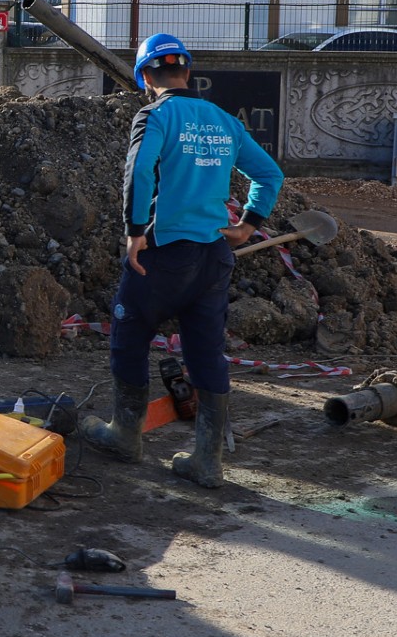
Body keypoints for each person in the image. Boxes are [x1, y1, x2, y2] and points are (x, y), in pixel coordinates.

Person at [81, 32, 284, 487]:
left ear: (145, 78)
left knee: (129, 336)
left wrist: (135, 234)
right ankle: (207, 461)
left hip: (164, 255)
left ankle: (124, 436)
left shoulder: (155, 115)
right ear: (188, 72)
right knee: (206, 352)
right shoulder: (222, 119)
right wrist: (248, 224)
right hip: (213, 257)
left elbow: (138, 174)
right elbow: (269, 173)